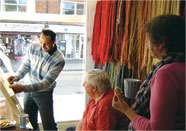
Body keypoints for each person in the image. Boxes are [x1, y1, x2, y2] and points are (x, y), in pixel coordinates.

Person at [112, 14, 185, 130]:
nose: (147, 46)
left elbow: (156, 129)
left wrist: (125, 109)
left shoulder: (166, 73)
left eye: (148, 41)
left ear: (161, 42)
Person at [7, 29, 65, 130]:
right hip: (28, 91)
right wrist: (17, 76)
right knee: (30, 123)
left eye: (46, 44)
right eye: (41, 42)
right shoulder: (33, 47)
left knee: (48, 125)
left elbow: (46, 83)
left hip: (44, 93)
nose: (42, 46)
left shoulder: (59, 60)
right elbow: (25, 66)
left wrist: (23, 88)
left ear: (54, 42)